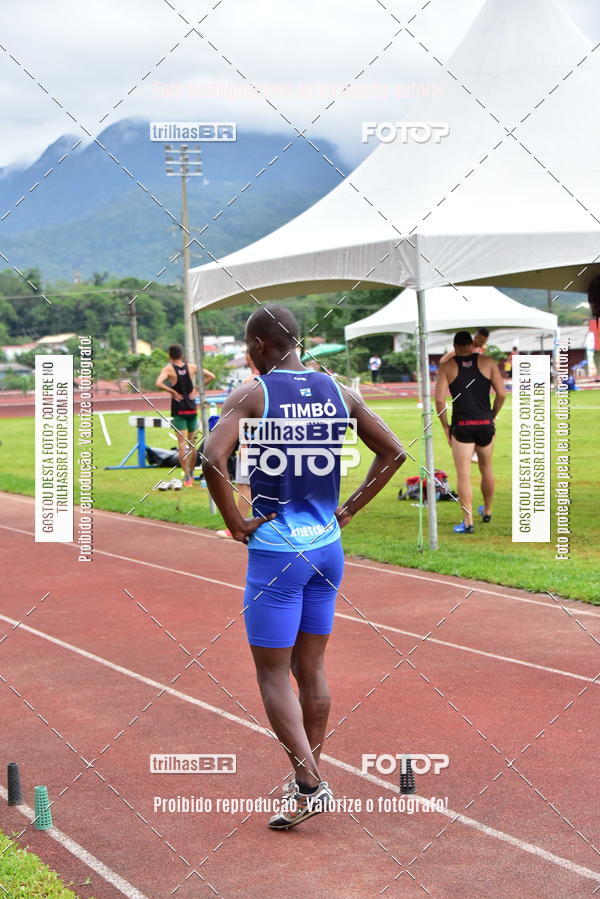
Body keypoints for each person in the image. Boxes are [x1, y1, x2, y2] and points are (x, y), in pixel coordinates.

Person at [203, 304, 405, 829]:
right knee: (310, 667)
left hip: (275, 551)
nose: (249, 355)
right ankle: (307, 784)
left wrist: (236, 522)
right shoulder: (341, 390)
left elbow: (210, 457)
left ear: (260, 347)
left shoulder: (255, 392)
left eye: (249, 346)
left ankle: (310, 781)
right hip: (327, 550)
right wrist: (350, 509)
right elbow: (394, 453)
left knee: (273, 673)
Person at [435, 330, 506, 533]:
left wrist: (445, 426)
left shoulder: (447, 366)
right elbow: (501, 393)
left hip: (462, 425)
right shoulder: (488, 362)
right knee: (486, 468)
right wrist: (492, 413)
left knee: (464, 474)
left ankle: (468, 522)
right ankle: (488, 510)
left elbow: (440, 400)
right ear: (471, 344)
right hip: (485, 423)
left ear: (456, 347)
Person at [156, 345, 215, 487]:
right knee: (192, 443)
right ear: (182, 355)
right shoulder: (192, 367)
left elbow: (158, 383)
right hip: (191, 408)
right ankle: (192, 473)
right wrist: (196, 389)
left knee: (182, 444)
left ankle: (187, 477)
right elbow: (211, 376)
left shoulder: (168, 369)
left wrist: (172, 391)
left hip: (179, 410)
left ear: (169, 356)